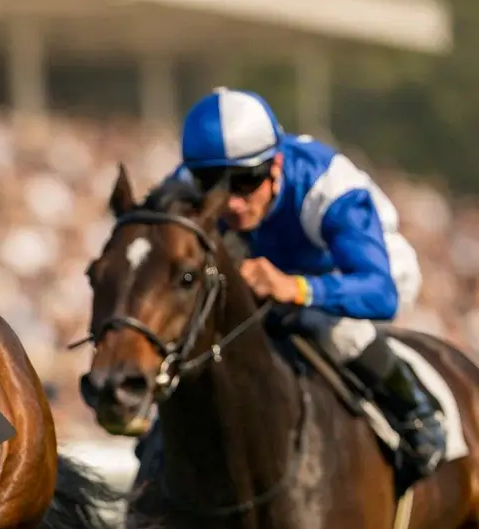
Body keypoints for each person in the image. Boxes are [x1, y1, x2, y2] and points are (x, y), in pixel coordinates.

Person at [175, 86, 444, 476]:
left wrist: (295, 288)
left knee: (329, 328)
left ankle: (416, 414)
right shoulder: (186, 179)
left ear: (276, 166)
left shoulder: (330, 189)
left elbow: (379, 292)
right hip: (268, 263)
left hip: (365, 272)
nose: (231, 202)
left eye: (246, 182)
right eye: (212, 183)